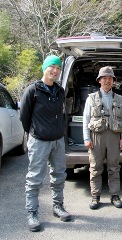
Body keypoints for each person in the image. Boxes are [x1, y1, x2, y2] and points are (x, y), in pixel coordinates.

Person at [20, 55, 72, 232]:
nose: (55, 71)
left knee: (59, 175)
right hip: (39, 141)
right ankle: (32, 213)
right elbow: (24, 118)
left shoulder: (59, 90)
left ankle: (58, 206)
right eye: (52, 67)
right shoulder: (32, 91)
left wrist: (59, 133)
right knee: (34, 179)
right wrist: (35, 133)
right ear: (44, 68)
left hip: (58, 140)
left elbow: (62, 114)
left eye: (58, 68)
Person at [83, 66, 122, 210]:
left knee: (114, 167)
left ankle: (115, 195)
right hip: (96, 136)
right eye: (105, 78)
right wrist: (86, 138)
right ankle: (95, 196)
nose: (107, 81)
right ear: (99, 81)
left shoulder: (120, 99)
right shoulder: (91, 98)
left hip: (114, 136)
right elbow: (86, 119)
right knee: (95, 167)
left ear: (113, 81)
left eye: (110, 78)